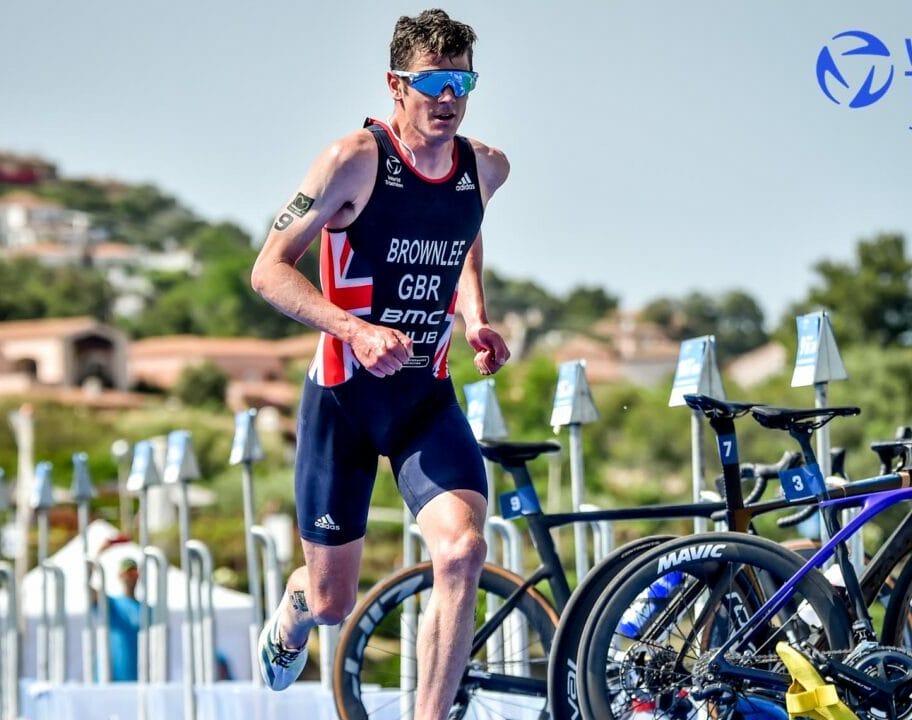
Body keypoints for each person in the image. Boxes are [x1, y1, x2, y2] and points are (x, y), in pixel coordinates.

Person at [250, 8, 510, 718]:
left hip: (425, 400)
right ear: (397, 85)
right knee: (334, 603)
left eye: (463, 81)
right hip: (344, 402)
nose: (450, 98)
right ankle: (296, 604)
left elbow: (463, 238)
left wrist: (475, 315)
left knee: (461, 553)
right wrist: (353, 330)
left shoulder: (485, 168)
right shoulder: (353, 163)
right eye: (434, 83)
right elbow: (269, 271)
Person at [92, 541, 141, 682]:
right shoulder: (111, 604)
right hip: (108, 681)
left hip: (138, 682)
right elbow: (86, 587)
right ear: (120, 576)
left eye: (133, 573)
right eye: (126, 573)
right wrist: (96, 557)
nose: (130, 577)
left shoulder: (148, 610)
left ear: (138, 576)